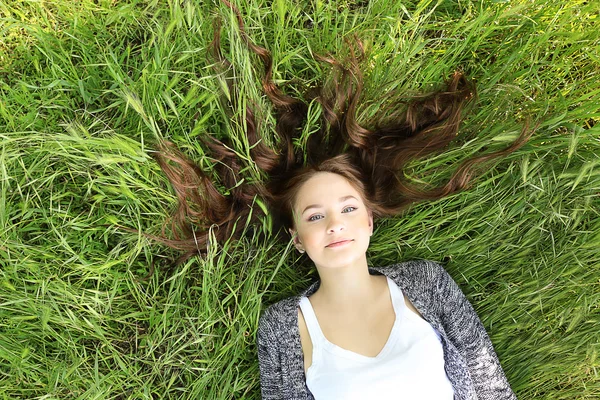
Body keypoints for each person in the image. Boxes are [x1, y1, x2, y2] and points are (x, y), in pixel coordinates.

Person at [150, 1, 534, 398]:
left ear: (368, 220)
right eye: (315, 217)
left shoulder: (428, 283)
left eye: (348, 209)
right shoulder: (282, 326)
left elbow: (488, 380)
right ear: (297, 238)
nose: (335, 224)